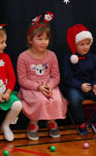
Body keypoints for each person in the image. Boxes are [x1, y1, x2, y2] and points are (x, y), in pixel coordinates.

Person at [17, 12, 67, 140]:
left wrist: (50, 85)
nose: (43, 42)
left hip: (48, 85)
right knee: (40, 100)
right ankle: (33, 124)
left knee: (56, 99)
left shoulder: (52, 55)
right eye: (39, 39)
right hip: (31, 88)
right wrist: (38, 87)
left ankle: (52, 121)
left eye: (46, 39)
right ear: (30, 40)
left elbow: (56, 76)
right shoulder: (23, 57)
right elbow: (22, 80)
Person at [63, 24, 96, 135]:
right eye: (82, 44)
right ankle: (81, 123)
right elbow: (67, 78)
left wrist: (95, 85)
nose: (85, 47)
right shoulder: (68, 58)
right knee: (75, 99)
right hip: (75, 88)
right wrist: (80, 86)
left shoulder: (93, 58)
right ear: (74, 45)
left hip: (90, 87)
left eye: (87, 44)